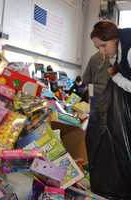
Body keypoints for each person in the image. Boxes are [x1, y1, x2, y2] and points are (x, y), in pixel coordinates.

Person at [83, 21, 131, 199]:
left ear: (114, 38)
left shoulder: (129, 51)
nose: (101, 51)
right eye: (98, 47)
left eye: (104, 45)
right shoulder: (114, 52)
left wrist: (116, 77)